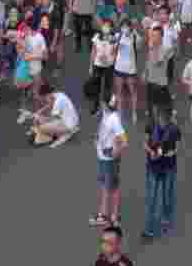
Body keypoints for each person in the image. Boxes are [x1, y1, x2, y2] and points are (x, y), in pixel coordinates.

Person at [142, 105, 180, 241]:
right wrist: (151, 152)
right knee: (152, 199)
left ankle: (166, 219)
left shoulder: (173, 130)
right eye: (160, 119)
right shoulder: (151, 126)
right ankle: (149, 229)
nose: (162, 121)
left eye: (165, 120)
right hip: (153, 167)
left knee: (166, 196)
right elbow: (145, 143)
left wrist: (165, 154)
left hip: (168, 167)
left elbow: (176, 148)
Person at [90, 94, 128, 229]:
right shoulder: (108, 114)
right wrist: (98, 140)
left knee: (109, 188)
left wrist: (114, 152)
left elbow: (124, 141)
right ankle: (112, 216)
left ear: (105, 104)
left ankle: (106, 217)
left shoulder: (113, 119)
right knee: (107, 186)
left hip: (109, 160)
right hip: (103, 156)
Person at [27, 82, 81, 148]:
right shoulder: (59, 94)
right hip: (71, 121)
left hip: (68, 126)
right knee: (41, 122)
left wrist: (39, 118)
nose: (44, 100)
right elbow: (49, 105)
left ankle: (59, 134)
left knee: (41, 127)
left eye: (44, 97)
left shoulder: (57, 102)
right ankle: (53, 134)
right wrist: (39, 111)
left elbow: (51, 119)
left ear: (47, 95)